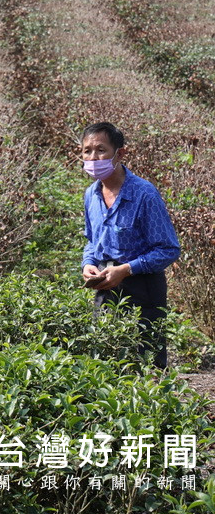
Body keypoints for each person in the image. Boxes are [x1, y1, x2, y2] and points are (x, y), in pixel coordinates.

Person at [80, 122, 179, 369]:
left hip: (142, 287)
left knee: (147, 361)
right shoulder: (90, 194)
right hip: (105, 285)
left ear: (120, 153)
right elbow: (93, 241)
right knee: (105, 360)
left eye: (100, 150)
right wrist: (89, 263)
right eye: (87, 151)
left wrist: (125, 270)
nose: (93, 157)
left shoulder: (144, 194)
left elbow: (168, 249)